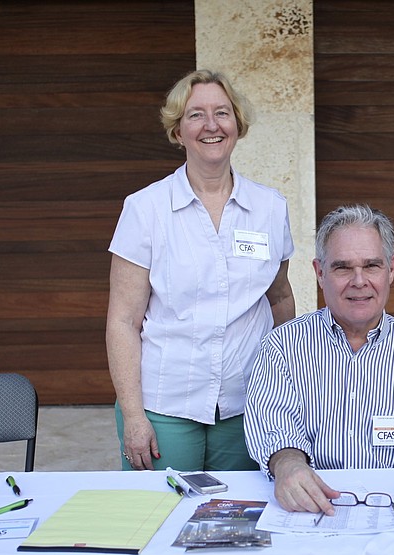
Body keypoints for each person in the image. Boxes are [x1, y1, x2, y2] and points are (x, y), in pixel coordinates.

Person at [244, 204, 394, 525]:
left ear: (391, 269)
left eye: (371, 265)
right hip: (314, 509)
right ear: (319, 272)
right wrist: (288, 464)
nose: (359, 281)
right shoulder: (282, 346)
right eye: (343, 267)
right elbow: (275, 426)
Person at [106, 69, 296, 472]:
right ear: (177, 131)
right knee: (160, 519)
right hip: (164, 405)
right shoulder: (145, 209)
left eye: (222, 113)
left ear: (238, 126)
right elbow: (123, 321)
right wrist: (134, 416)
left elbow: (280, 298)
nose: (211, 125)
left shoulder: (270, 208)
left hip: (248, 403)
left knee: (239, 522)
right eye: (196, 115)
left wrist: (283, 386)